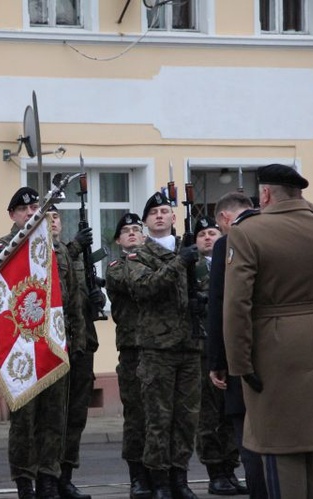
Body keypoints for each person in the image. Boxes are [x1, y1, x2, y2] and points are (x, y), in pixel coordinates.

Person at [223, 164, 313, 499]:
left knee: (280, 446)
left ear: (265, 194)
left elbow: (237, 305)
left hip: (274, 342)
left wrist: (239, 364)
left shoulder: (248, 232)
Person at [0, 188, 84, 499]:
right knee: (25, 421)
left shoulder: (56, 249)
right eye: (23, 209)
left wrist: (77, 343)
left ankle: (48, 478)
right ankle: (24, 481)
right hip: (23, 346)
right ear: (12, 215)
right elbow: (0, 293)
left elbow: (71, 301)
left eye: (35, 208)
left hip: (54, 344)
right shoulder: (5, 247)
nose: (31, 213)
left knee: (54, 418)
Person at [124, 191, 201, 499]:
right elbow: (145, 288)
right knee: (158, 418)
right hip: (157, 349)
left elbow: (206, 287)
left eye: (165, 211)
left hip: (190, 346)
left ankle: (180, 478)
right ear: (145, 222)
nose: (159, 215)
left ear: (173, 217)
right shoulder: (138, 255)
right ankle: (159, 481)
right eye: (153, 212)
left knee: (186, 419)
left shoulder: (190, 251)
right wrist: (179, 263)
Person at [208, 192, 267, 499]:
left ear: (224, 219)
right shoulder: (277, 234)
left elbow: (221, 303)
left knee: (250, 435)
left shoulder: (227, 244)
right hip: (288, 352)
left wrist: (217, 360)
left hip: (243, 354)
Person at [192, 215, 244, 496]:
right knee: (210, 415)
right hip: (203, 348)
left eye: (212, 232)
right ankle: (215, 471)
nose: (208, 238)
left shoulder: (233, 262)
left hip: (230, 344)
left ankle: (231, 467)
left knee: (231, 410)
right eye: (202, 235)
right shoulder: (193, 267)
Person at [104, 213, 152, 499]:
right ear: (118, 240)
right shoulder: (116, 267)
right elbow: (139, 285)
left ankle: (162, 474)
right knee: (136, 416)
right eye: (126, 231)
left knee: (159, 415)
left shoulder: (155, 262)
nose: (132, 234)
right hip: (133, 348)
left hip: (157, 347)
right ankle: (138, 476)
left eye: (137, 229)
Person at [61, 213, 106, 499]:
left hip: (82, 344)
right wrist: (74, 247)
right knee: (54, 418)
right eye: (48, 217)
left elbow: (80, 302)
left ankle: (65, 476)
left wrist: (96, 299)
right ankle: (46, 478)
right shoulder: (60, 254)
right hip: (55, 348)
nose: (54, 222)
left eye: (56, 218)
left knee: (76, 416)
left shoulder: (79, 259)